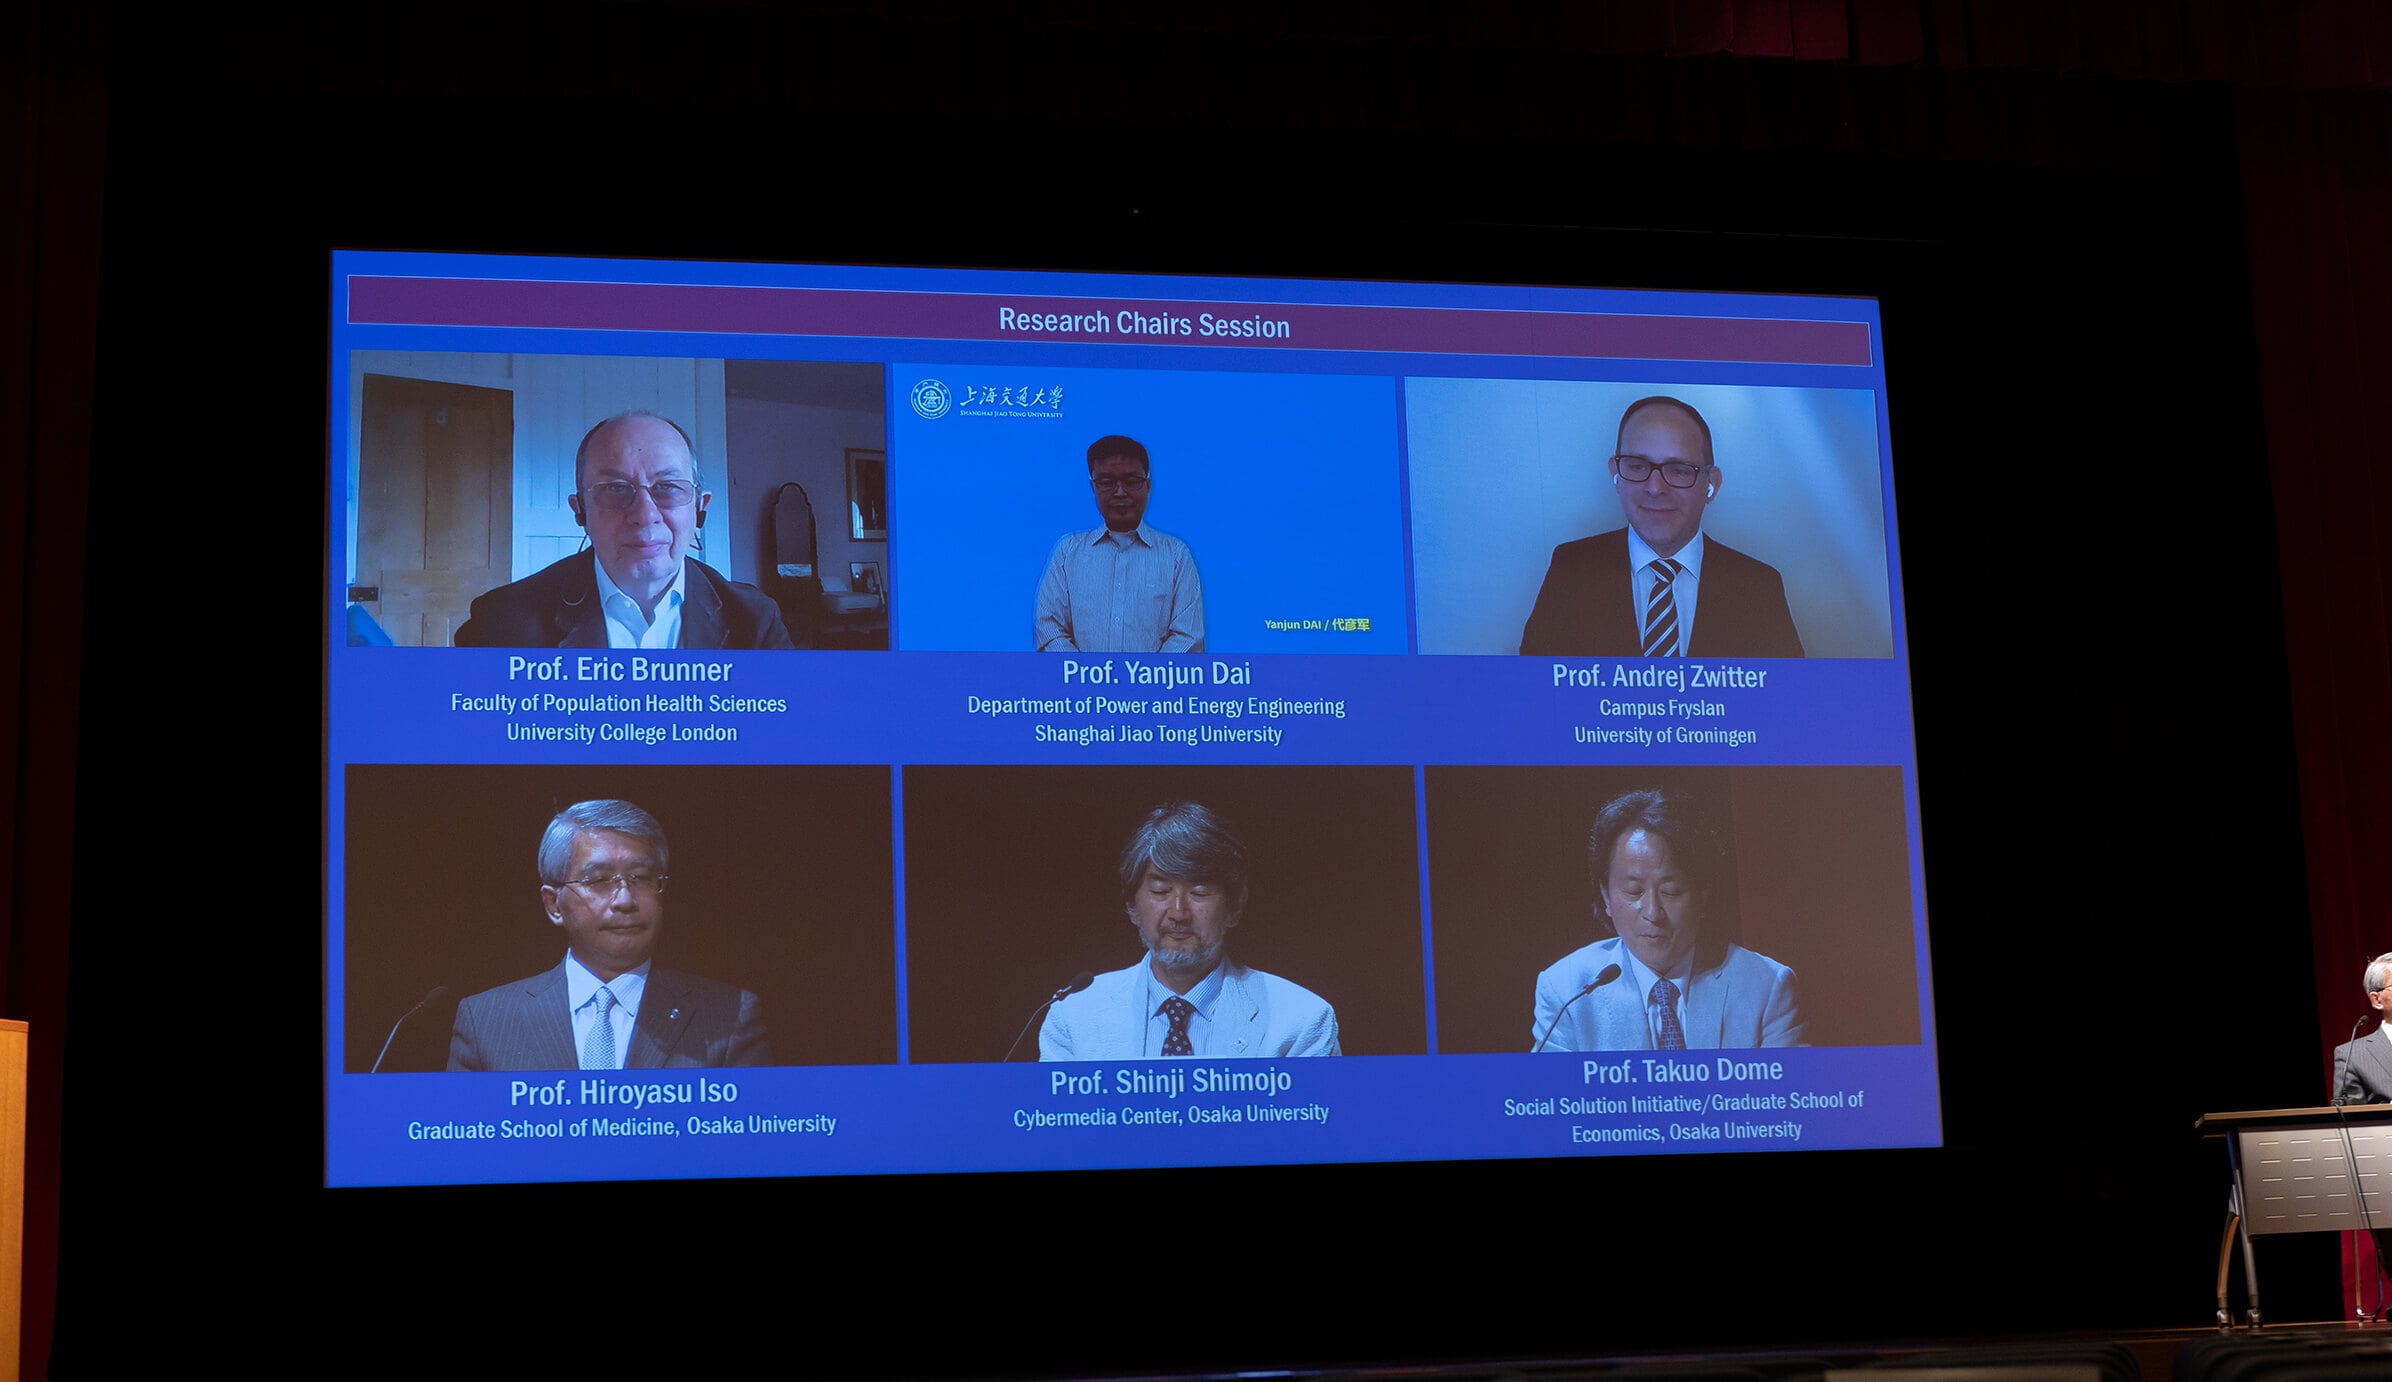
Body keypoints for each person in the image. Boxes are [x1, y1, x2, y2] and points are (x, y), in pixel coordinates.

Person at [448, 799, 770, 1070]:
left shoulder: (728, 1016)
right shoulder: (486, 1021)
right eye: (599, 880)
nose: (625, 900)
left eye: (640, 878)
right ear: (553, 904)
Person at [453, 411, 794, 649]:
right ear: (580, 510)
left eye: (668, 488)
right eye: (615, 489)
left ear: (699, 508)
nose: (645, 516)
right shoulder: (500, 624)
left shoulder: (756, 622)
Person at [1040, 801, 1337, 1059]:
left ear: (1235, 907)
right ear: (1131, 906)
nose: (1178, 913)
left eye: (1199, 892)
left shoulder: (1301, 1020)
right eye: (1160, 891)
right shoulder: (1074, 1017)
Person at [1519, 396, 1804, 658]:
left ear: (1711, 484)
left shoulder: (1758, 587)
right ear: (1616, 474)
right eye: (1637, 466)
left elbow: (1785, 695)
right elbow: (1535, 689)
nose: (1655, 488)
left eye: (1679, 470)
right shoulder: (1570, 571)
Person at [1533, 787, 1804, 1052]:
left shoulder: (1766, 987)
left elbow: (1790, 1083)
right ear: (1606, 897)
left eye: (1671, 891)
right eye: (1634, 891)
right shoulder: (1566, 991)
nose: (1653, 913)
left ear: (1702, 895)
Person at [1034, 435, 1205, 653]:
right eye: (1107, 482)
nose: (1120, 492)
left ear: (1148, 486)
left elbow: (1187, 636)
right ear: (1093, 487)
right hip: (1079, 677)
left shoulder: (1176, 555)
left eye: (1132, 481)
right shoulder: (1068, 552)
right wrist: (1087, 672)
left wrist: (1143, 674)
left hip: (1155, 677)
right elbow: (1049, 628)